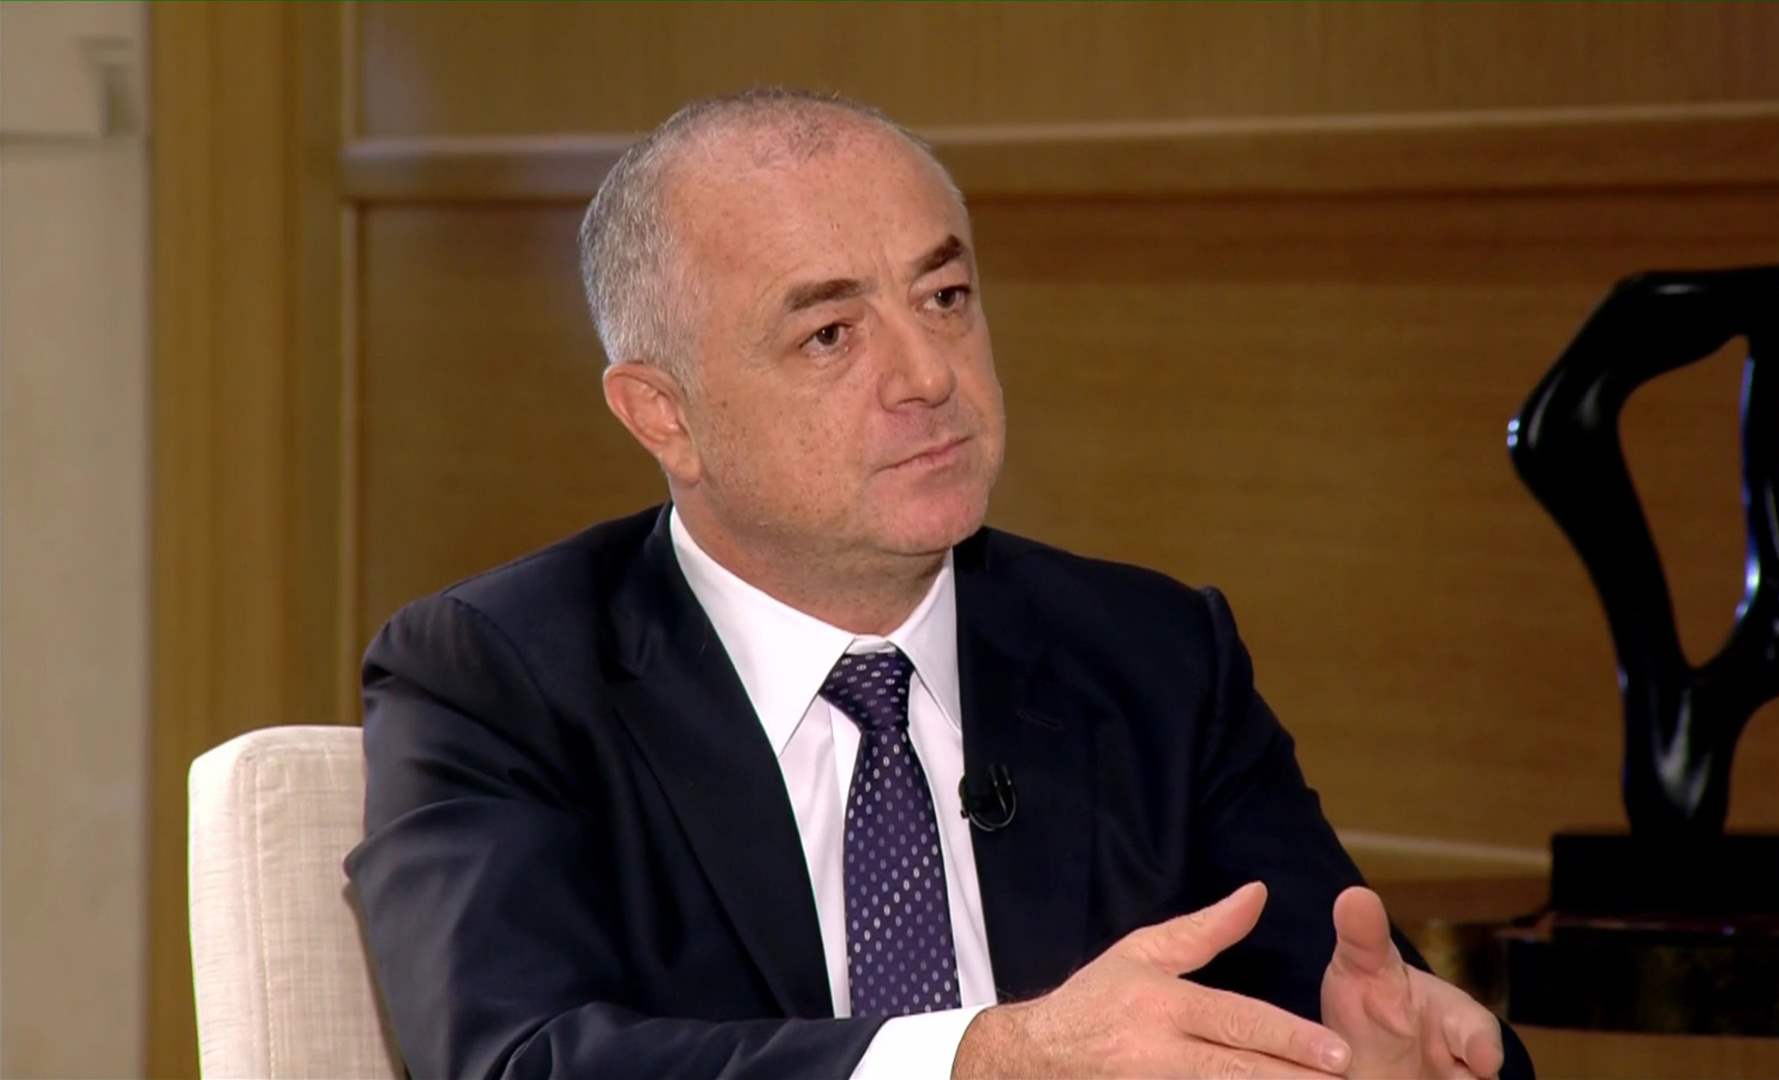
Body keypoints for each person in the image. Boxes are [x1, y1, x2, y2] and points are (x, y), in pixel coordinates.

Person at [346, 87, 1532, 1080]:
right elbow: (522, 1059)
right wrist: (985, 1060)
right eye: (830, 334)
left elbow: (1345, 1009)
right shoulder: (499, 676)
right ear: (664, 415)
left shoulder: (1157, 656)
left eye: (944, 299)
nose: (927, 375)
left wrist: (1389, 1058)